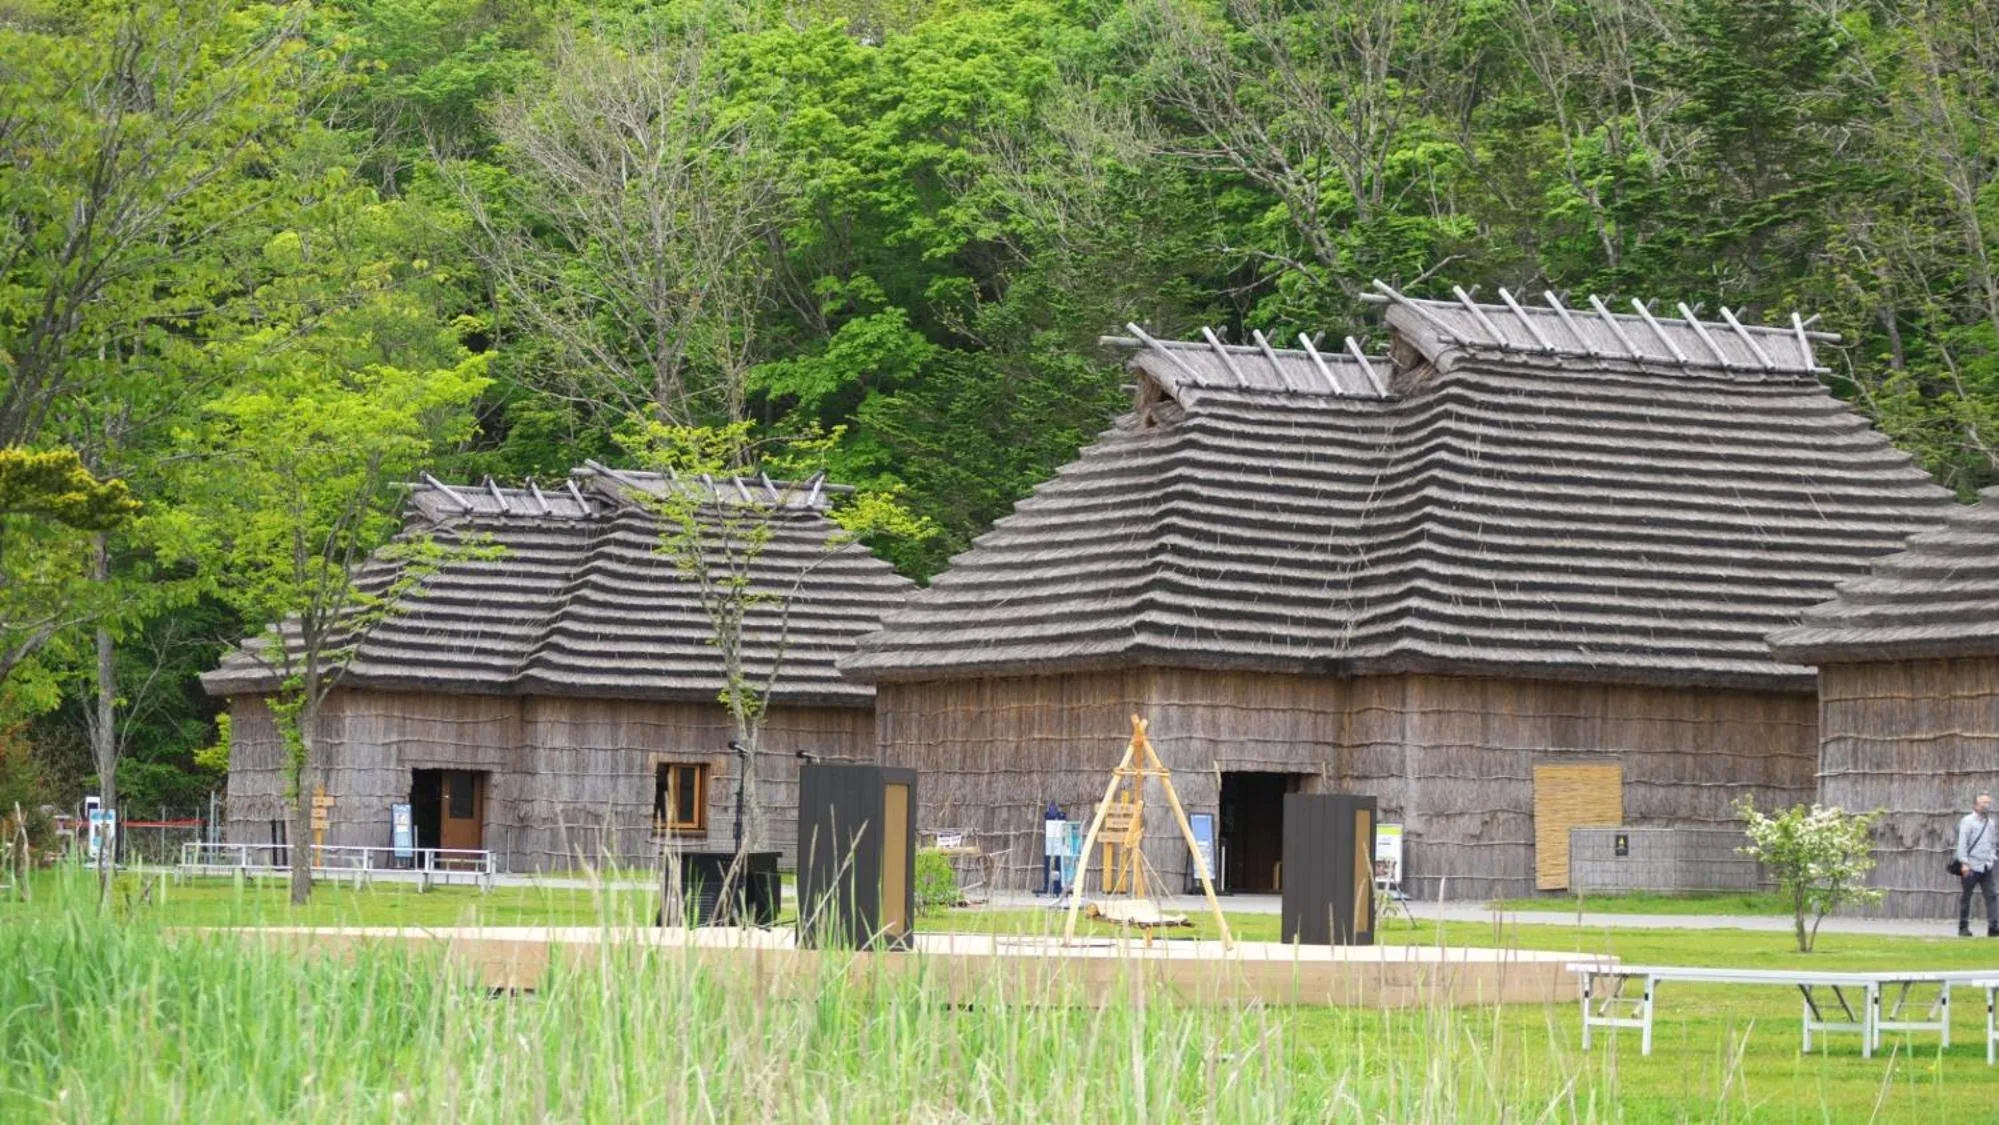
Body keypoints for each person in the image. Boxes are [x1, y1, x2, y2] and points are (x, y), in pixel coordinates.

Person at [1957, 793, 1997, 937]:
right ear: (1975, 804)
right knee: (1966, 897)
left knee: (1992, 896)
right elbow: (1962, 843)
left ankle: (1993, 927)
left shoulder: (1990, 823)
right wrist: (1964, 862)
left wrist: (1991, 858)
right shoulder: (1967, 821)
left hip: (1986, 866)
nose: (1986, 806)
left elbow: (1993, 842)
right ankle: (1963, 927)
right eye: (1983, 803)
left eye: (1988, 803)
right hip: (1971, 866)